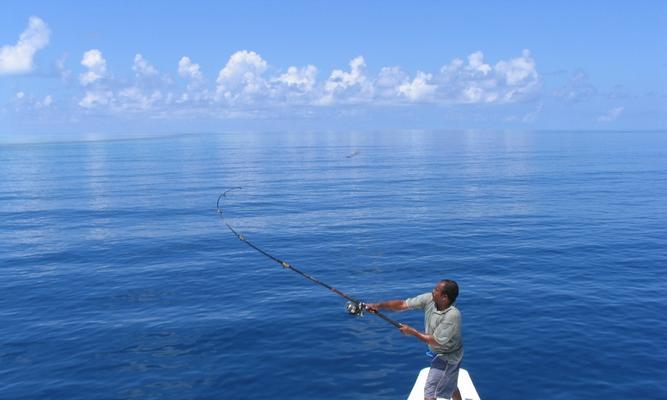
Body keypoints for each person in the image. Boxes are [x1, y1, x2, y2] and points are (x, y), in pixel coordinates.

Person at [366, 279, 463, 400]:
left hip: (447, 358)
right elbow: (402, 304)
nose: (433, 291)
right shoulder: (430, 299)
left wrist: (413, 332)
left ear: (444, 297)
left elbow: (436, 341)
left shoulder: (452, 315)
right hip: (439, 353)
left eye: (437, 290)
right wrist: (378, 306)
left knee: (430, 392)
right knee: (450, 385)